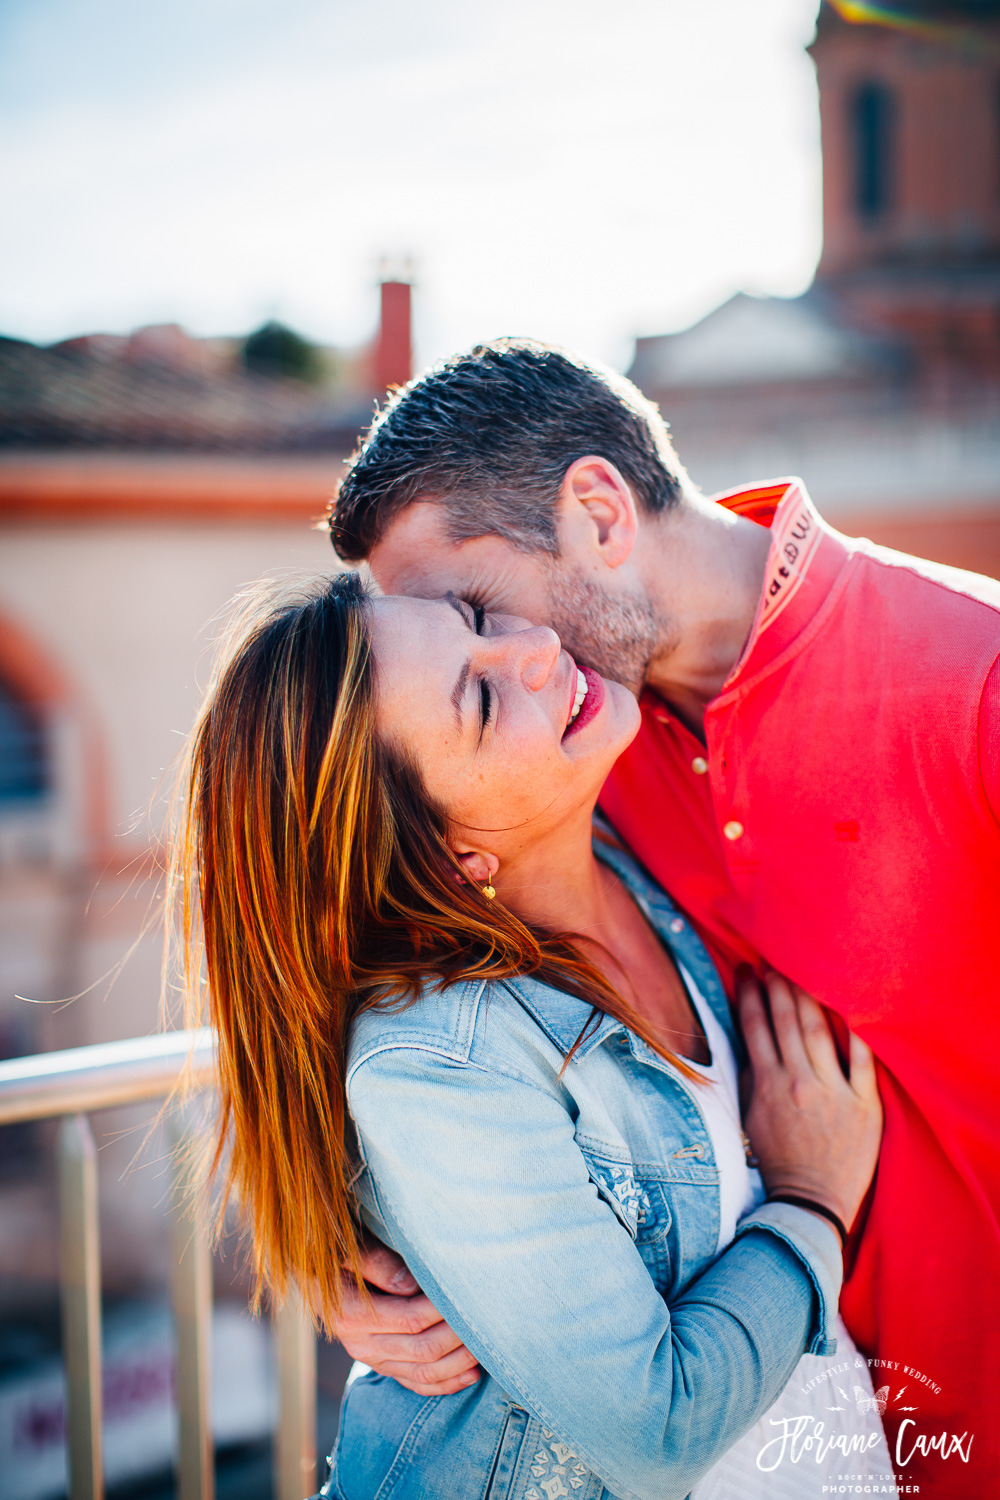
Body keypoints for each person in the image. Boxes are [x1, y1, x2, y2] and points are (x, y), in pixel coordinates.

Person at [326, 338, 1000, 1496]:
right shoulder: (571, 756)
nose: (513, 659)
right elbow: (337, 955)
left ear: (598, 511)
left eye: (477, 608)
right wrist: (352, 1246)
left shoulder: (975, 679)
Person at [173, 571, 888, 1500]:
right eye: (479, 696)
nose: (538, 647)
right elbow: (654, 1432)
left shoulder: (639, 855)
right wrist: (811, 1202)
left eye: (474, 619)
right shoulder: (441, 1064)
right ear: (449, 856)